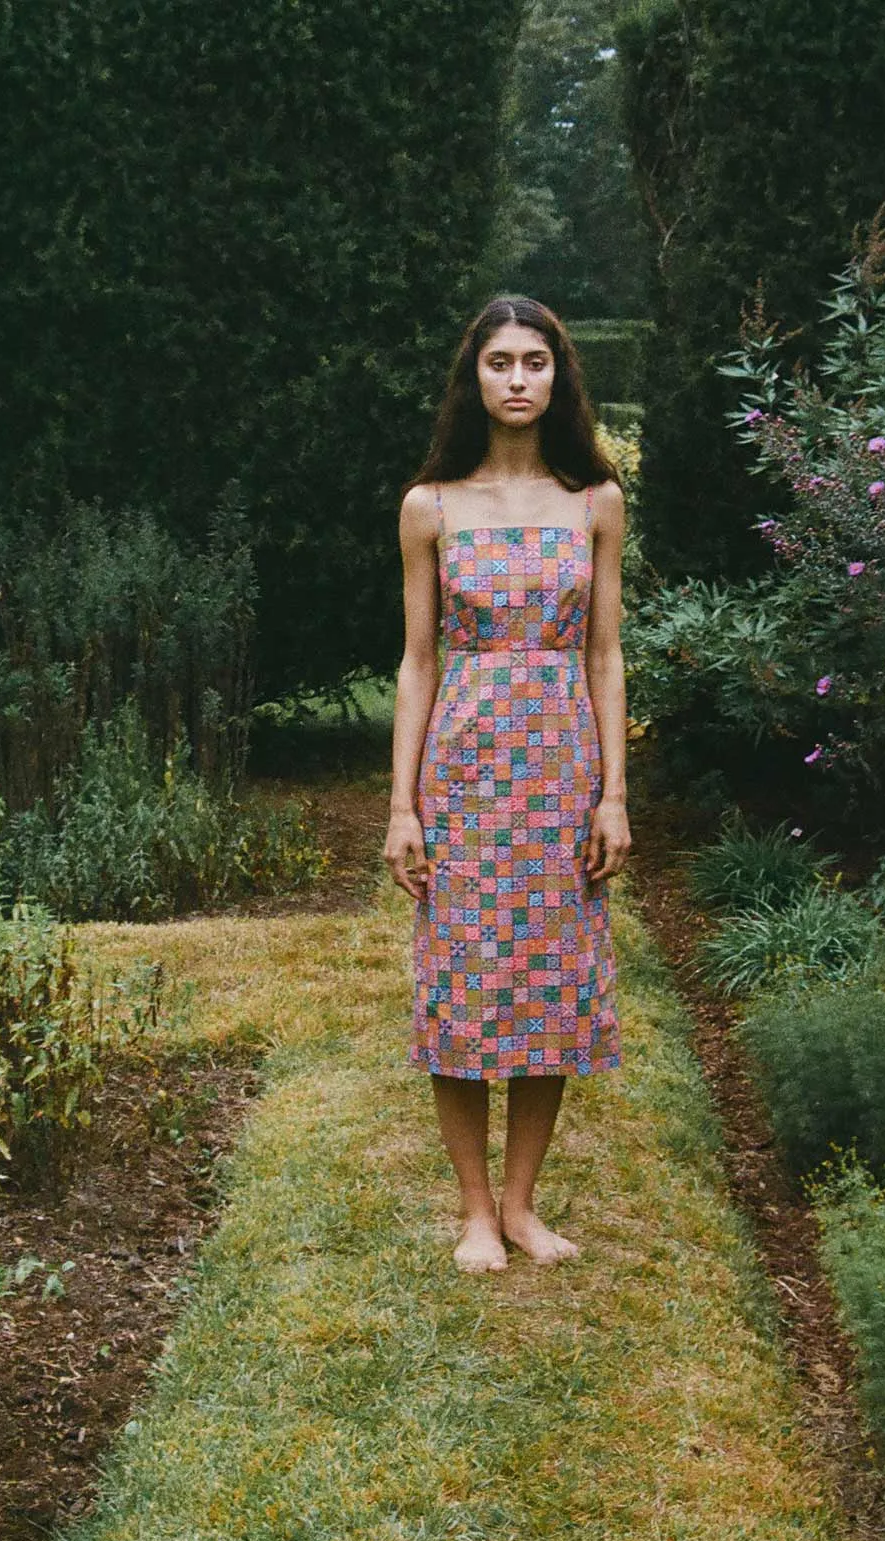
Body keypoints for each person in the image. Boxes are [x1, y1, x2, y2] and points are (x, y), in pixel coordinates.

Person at [384, 296, 631, 1274]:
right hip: (465, 774)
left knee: (551, 982)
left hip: (564, 769)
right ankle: (475, 1212)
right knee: (461, 982)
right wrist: (403, 805)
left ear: (559, 377)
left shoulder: (594, 501)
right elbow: (416, 662)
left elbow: (607, 653)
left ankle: (524, 1206)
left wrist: (613, 792)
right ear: (474, 379)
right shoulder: (431, 506)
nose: (519, 379)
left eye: (536, 362)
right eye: (500, 362)